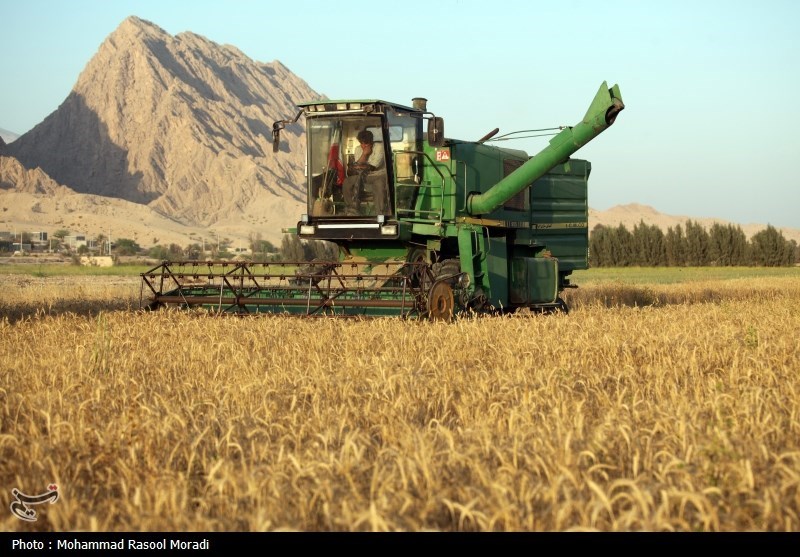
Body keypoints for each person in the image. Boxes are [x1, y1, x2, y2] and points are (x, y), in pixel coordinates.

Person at [342, 130, 388, 216]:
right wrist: (364, 154)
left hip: (379, 175)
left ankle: (380, 213)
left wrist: (359, 166)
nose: (363, 146)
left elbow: (372, 167)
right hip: (363, 175)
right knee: (347, 182)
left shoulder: (379, 147)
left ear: (371, 142)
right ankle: (351, 210)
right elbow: (357, 166)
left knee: (379, 184)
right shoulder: (358, 149)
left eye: (366, 143)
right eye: (361, 143)